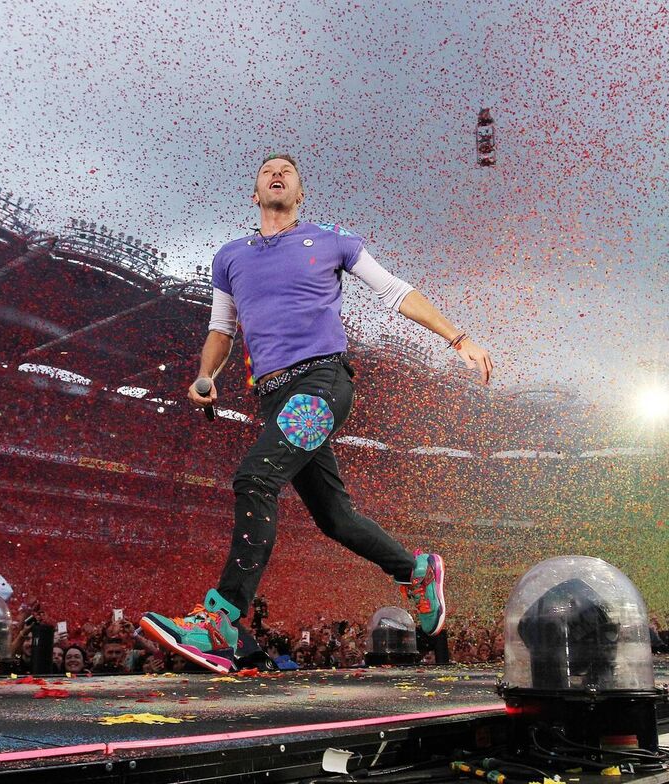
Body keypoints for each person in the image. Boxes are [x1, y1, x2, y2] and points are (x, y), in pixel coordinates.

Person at [140, 153, 493, 673]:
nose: (277, 174)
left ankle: (220, 621)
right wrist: (205, 374)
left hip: (321, 382)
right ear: (255, 193)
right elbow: (222, 329)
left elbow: (395, 291)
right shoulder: (229, 257)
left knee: (255, 478)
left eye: (287, 171)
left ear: (299, 193)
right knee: (335, 518)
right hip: (274, 398)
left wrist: (458, 338)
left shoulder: (332, 240)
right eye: (267, 171)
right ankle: (414, 571)